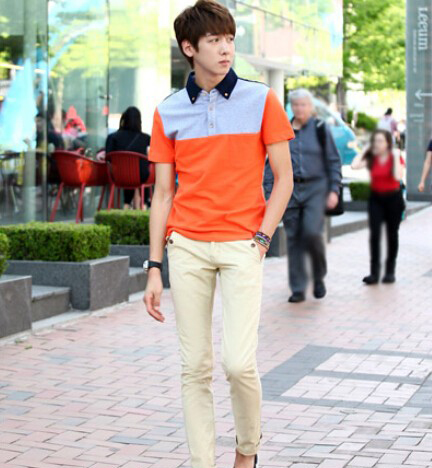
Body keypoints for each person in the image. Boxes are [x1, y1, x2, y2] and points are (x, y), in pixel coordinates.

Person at [143, 2, 294, 467]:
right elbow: (163, 194)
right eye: (214, 41)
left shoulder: (261, 99)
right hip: (187, 245)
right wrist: (154, 266)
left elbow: (284, 179)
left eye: (229, 39)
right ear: (190, 48)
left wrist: (262, 238)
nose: (226, 48)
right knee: (195, 367)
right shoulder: (168, 110)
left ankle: (246, 451)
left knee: (238, 364)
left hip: (242, 244)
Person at [264, 88, 342, 303]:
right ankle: (298, 287)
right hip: (289, 191)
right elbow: (271, 165)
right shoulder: (283, 130)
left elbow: (333, 160)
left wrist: (334, 189)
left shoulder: (320, 128)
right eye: (296, 105)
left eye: (304, 105)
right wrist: (270, 193)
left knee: (311, 233)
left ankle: (318, 276)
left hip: (316, 189)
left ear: (310, 106)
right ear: (291, 107)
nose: (300, 109)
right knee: (294, 239)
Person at [351, 130, 405, 284]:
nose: (378, 144)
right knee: (375, 235)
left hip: (393, 199)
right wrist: (365, 150)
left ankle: (390, 271)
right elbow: (354, 165)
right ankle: (374, 273)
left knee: (391, 234)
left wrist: (396, 156)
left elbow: (398, 176)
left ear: (388, 143)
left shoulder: (395, 157)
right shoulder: (372, 158)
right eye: (375, 141)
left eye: (381, 141)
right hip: (376, 199)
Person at [105, 106, 150, 209]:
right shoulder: (146, 138)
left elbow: (108, 158)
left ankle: (126, 204)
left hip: (118, 175)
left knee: (126, 171)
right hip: (141, 176)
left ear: (123, 119)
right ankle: (144, 204)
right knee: (139, 171)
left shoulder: (112, 137)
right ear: (139, 121)